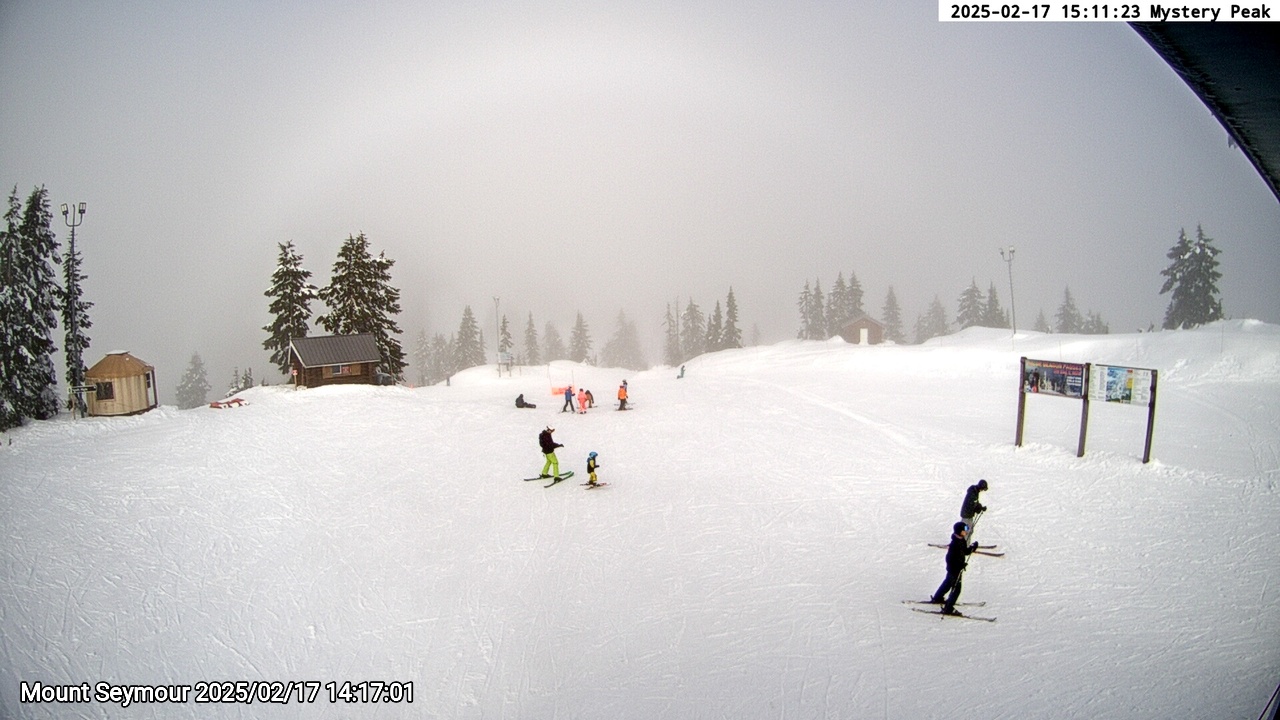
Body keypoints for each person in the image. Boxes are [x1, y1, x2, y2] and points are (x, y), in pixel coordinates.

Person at [931, 521, 978, 614]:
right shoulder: (954, 544)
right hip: (954, 569)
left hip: (956, 568)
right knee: (956, 589)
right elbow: (949, 559)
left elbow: (965, 552)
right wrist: (960, 565)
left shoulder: (961, 540)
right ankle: (948, 608)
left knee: (948, 583)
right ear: (959, 531)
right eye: (965, 529)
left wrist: (973, 547)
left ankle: (937, 597)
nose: (966, 531)